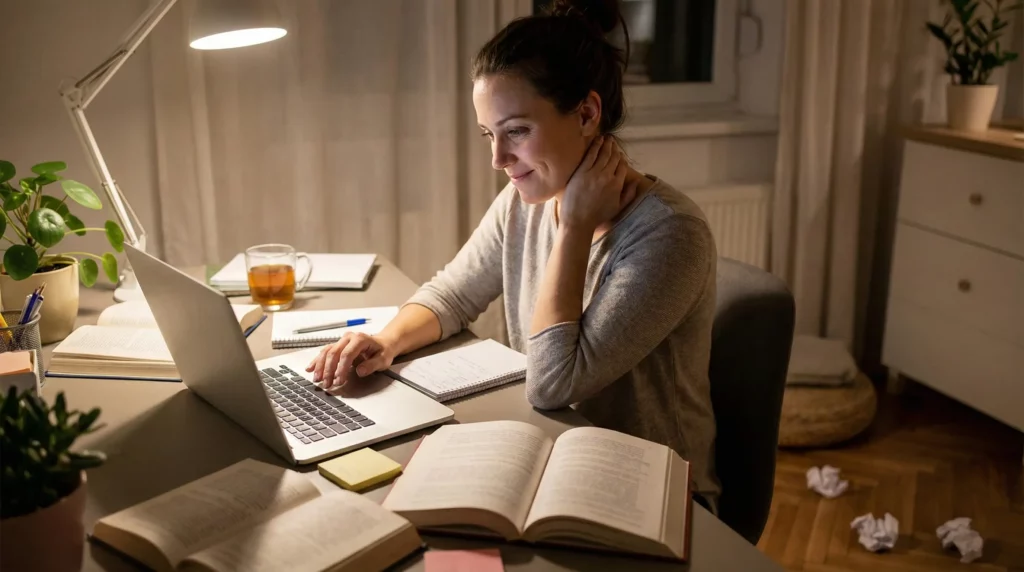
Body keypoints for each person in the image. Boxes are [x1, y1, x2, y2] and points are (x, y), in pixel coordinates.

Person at [307, 0, 720, 511]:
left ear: (587, 114)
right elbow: (454, 294)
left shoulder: (671, 236)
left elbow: (552, 383)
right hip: (552, 453)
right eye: (489, 135)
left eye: (517, 132)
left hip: (657, 494)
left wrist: (573, 227)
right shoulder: (527, 200)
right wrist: (385, 342)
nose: (498, 160)